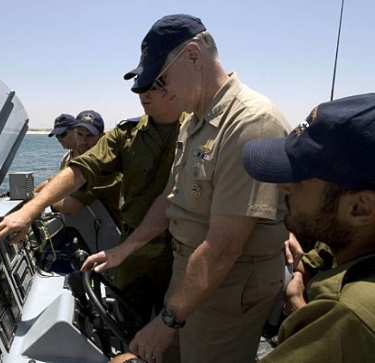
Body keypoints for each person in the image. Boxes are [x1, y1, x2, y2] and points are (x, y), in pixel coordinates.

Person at [82, 14, 291, 363]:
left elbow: (224, 247)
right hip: (191, 282)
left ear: (194, 56)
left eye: (160, 78)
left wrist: (165, 322)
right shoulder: (194, 120)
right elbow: (171, 199)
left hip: (226, 289)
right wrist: (124, 250)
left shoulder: (251, 123)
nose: (157, 91)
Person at [0, 70, 186, 328]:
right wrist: (30, 210)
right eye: (138, 86)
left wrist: (36, 204)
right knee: (129, 326)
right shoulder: (126, 134)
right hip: (132, 252)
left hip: (180, 251)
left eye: (149, 85)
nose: (141, 93)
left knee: (176, 332)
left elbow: (72, 203)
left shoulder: (197, 131)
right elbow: (82, 168)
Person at [241, 93, 375, 362]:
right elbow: (325, 249)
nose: (284, 187)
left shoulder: (348, 316)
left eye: (299, 179)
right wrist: (303, 272)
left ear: (360, 208)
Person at [52, 110, 123, 228]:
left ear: (101, 137)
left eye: (89, 136)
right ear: (74, 133)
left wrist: (43, 202)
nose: (83, 141)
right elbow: (56, 181)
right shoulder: (80, 161)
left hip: (110, 234)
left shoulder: (104, 167)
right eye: (79, 134)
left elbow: (70, 206)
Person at [35, 113, 79, 193]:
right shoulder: (66, 158)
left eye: (62, 134)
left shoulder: (88, 154)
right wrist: (34, 193)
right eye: (57, 136)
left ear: (75, 130)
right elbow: (58, 182)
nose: (59, 139)